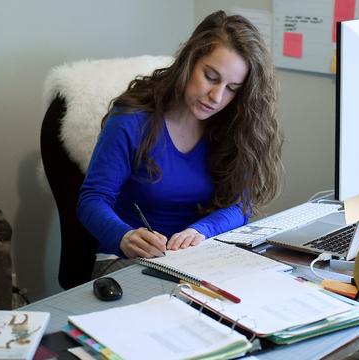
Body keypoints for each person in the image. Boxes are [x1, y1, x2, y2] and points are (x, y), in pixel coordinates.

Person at [78, 10, 282, 261]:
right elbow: (93, 199)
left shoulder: (233, 125)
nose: (216, 97)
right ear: (189, 62)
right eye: (210, 77)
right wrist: (124, 236)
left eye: (231, 89)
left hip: (200, 256)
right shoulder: (132, 120)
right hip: (131, 260)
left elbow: (241, 204)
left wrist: (201, 230)